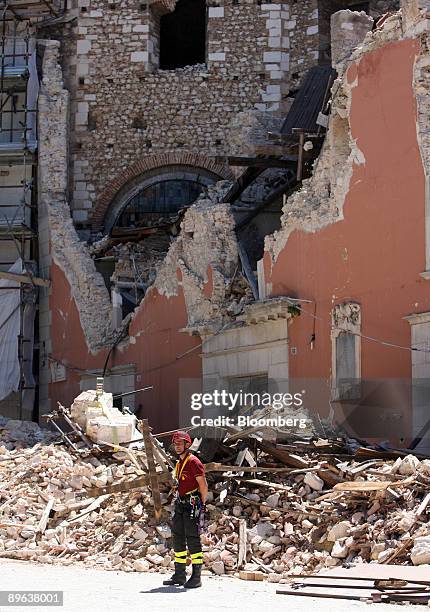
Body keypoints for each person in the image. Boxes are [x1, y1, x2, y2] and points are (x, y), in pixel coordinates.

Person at [163, 430, 208, 588]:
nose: (177, 446)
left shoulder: (193, 462)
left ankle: (196, 577)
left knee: (192, 538)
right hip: (181, 503)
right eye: (175, 444)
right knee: (178, 537)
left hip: (192, 502)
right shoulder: (179, 462)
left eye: (180, 443)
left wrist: (201, 506)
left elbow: (203, 485)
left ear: (187, 445)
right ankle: (179, 574)